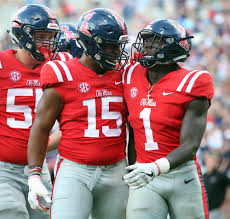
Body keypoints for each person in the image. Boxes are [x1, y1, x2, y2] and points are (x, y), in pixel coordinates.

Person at [27, 8, 130, 219]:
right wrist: (34, 174)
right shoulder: (62, 73)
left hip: (117, 169)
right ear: (89, 43)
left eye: (118, 46)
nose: (116, 52)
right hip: (75, 170)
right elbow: (41, 126)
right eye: (109, 46)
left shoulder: (125, 72)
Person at [122, 19, 214, 219]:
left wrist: (155, 167)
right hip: (143, 175)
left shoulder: (194, 82)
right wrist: (134, 171)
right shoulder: (130, 74)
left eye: (154, 42)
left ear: (172, 48)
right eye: (145, 41)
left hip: (181, 176)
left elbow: (190, 145)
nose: (145, 47)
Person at [0, 4, 72, 219]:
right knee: (12, 212)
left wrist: (41, 146)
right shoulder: (2, 64)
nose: (48, 42)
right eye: (41, 35)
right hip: (4, 169)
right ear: (23, 35)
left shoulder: (61, 66)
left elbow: (76, 122)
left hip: (38, 168)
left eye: (50, 36)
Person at [203, 152, 230, 219]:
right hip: (206, 210)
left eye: (212, 161)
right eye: (209, 161)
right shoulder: (203, 176)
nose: (210, 163)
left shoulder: (220, 175)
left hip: (218, 209)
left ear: (216, 163)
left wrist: (226, 202)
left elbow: (228, 188)